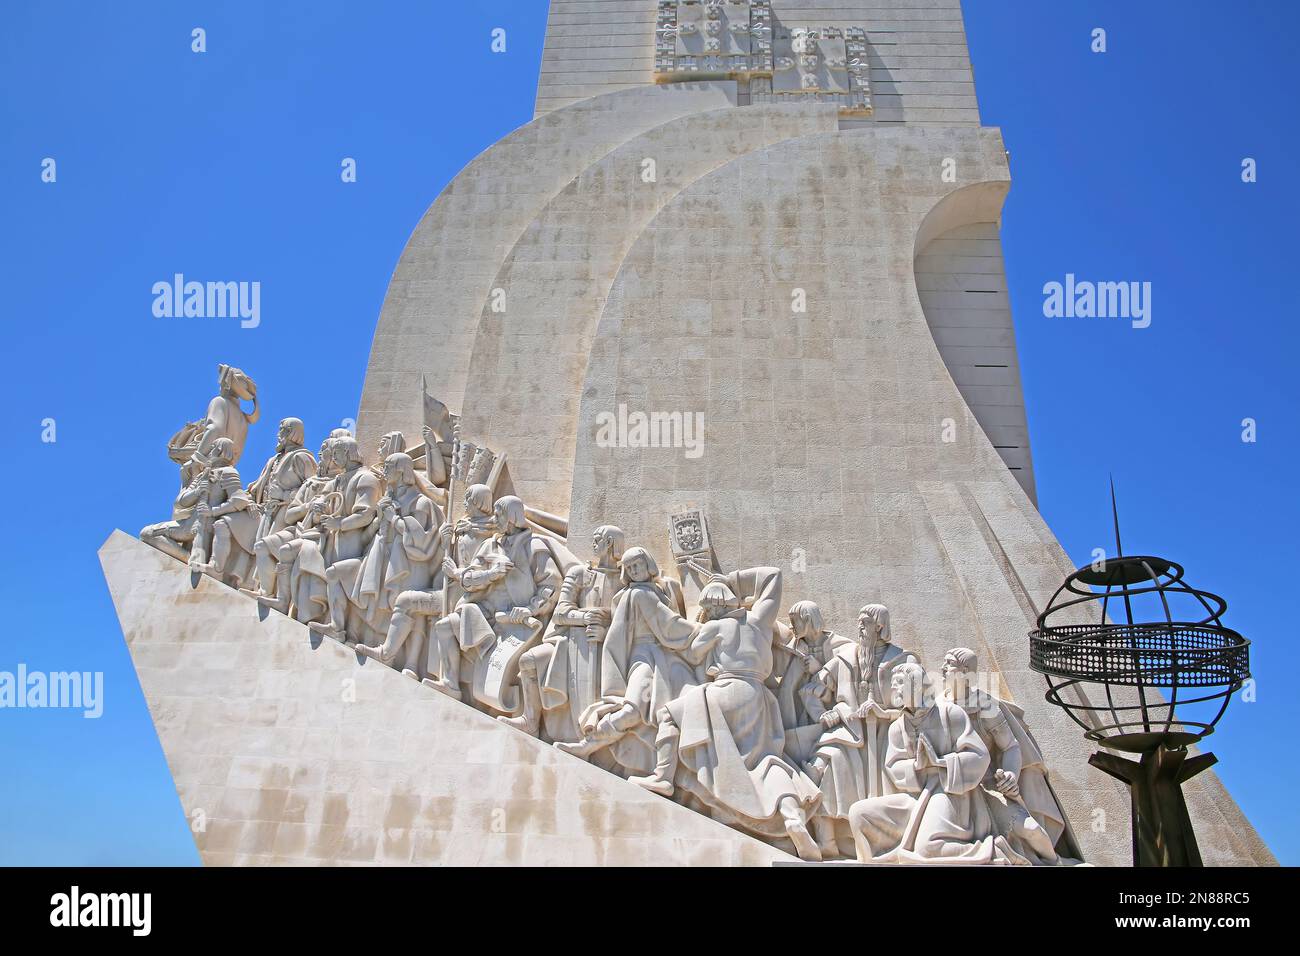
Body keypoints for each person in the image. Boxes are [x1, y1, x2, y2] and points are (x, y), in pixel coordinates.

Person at [629, 568, 825, 862]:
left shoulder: (714, 627)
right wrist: (730, 579)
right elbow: (773, 576)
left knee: (669, 714)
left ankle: (663, 777)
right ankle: (791, 817)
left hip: (726, 690)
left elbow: (693, 654)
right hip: (759, 698)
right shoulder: (760, 621)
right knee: (768, 763)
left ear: (712, 607)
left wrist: (703, 618)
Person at [846, 661, 1027, 865]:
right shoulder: (897, 727)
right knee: (859, 814)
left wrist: (941, 763)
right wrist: (917, 766)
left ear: (914, 685)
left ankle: (995, 850)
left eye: (898, 683)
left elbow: (979, 756)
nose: (893, 688)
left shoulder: (949, 713)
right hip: (917, 795)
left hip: (951, 793)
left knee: (928, 849)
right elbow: (893, 766)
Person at [553, 547, 690, 775]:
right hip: (644, 657)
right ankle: (590, 744)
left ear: (649, 564)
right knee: (633, 711)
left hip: (664, 658)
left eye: (638, 564)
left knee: (662, 714)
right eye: (629, 567)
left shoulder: (660, 590)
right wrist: (702, 632)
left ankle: (662, 773)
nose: (634, 570)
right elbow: (670, 626)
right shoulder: (637, 594)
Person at [425, 496, 563, 712]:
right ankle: (450, 684)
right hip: (485, 612)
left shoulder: (533, 547)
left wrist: (530, 608)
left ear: (511, 517)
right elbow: (469, 580)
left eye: (499, 514)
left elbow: (551, 585)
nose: (494, 518)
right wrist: (491, 574)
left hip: (515, 618)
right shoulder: (490, 544)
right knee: (444, 626)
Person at [941, 647, 1075, 864]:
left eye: (949, 664)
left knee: (1030, 829)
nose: (943, 668)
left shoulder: (985, 706)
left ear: (965, 671)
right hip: (954, 785)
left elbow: (1011, 746)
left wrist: (1011, 775)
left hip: (987, 785)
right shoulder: (939, 706)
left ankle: (1055, 861)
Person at [499, 526, 625, 742]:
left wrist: (605, 630)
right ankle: (530, 720)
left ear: (610, 543)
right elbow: (560, 613)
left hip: (605, 646)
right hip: (565, 641)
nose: (593, 544)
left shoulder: (625, 583)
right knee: (529, 660)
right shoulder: (580, 573)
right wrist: (584, 618)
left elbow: (628, 622)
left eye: (598, 539)